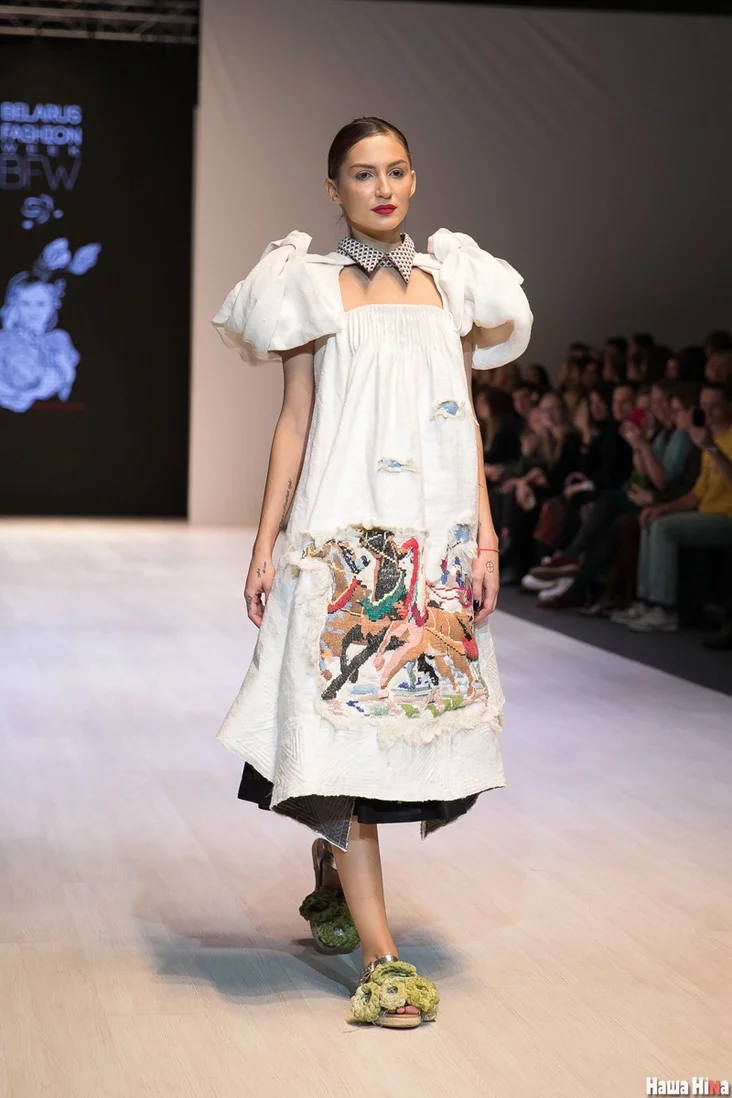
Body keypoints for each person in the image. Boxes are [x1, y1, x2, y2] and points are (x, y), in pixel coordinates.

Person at [211, 116, 533, 1029]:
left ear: (414, 179)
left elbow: (465, 422)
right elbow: (294, 421)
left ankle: (331, 867)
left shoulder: (455, 283)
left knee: (395, 733)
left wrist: (485, 537)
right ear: (333, 188)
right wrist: (265, 541)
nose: (382, 188)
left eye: (395, 171)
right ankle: (383, 958)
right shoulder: (304, 286)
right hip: (340, 541)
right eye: (362, 174)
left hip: (431, 542)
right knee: (341, 742)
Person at [623, 383, 732, 633]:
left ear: (729, 406)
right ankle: (647, 601)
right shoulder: (707, 439)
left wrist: (712, 449)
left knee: (663, 528)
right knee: (652, 519)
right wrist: (665, 507)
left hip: (726, 516)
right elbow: (697, 493)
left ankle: (664, 609)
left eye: (714, 405)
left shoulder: (714, 442)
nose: (707, 411)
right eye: (703, 406)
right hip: (707, 513)